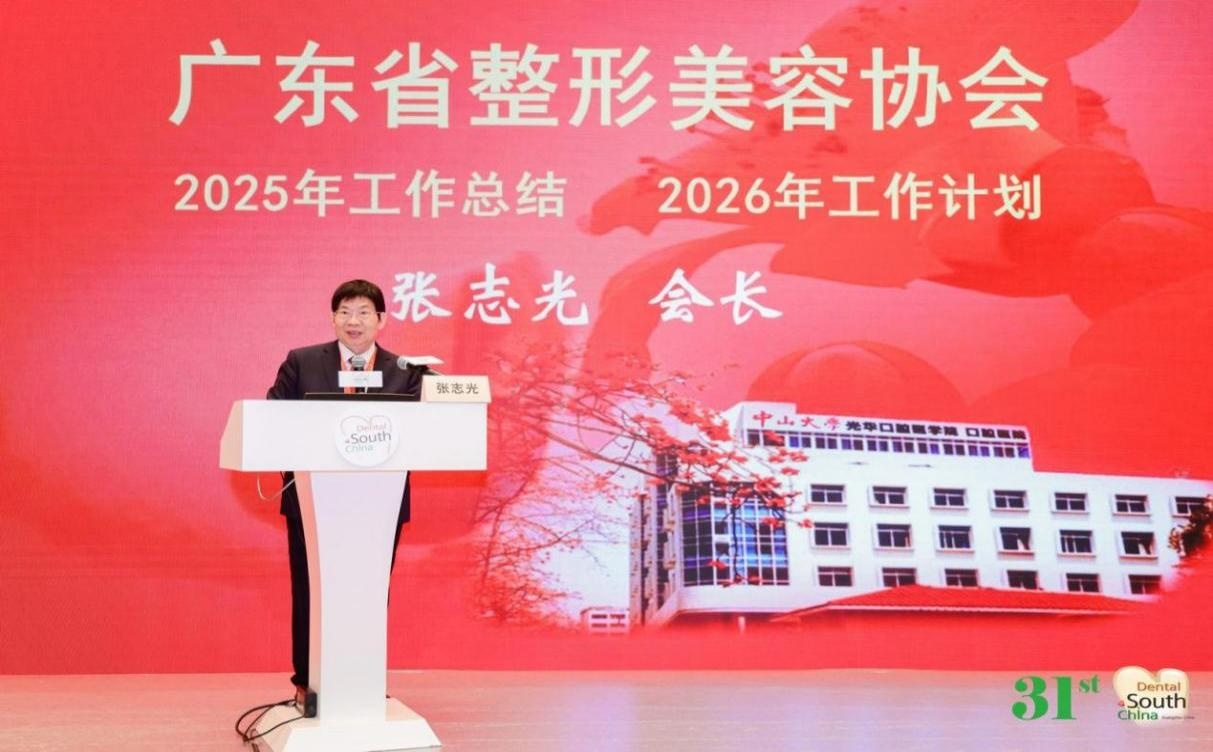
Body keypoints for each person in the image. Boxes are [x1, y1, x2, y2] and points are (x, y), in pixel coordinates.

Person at [266, 279, 421, 701]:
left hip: (378, 504)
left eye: (364, 312)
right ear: (333, 318)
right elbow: (273, 419)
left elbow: (419, 433)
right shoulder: (300, 362)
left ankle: (362, 684)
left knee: (368, 592)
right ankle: (308, 683)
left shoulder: (407, 371)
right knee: (311, 591)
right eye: (345, 312)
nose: (354, 321)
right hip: (313, 501)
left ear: (381, 320)